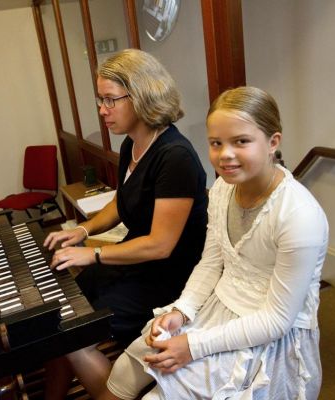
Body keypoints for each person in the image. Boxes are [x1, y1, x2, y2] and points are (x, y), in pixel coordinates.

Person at [100, 86, 329, 400]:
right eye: (216, 143)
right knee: (126, 370)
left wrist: (193, 346)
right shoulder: (222, 188)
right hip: (217, 309)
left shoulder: (299, 216)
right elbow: (211, 261)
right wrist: (181, 311)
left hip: (268, 336)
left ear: (273, 142)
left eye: (241, 142)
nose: (225, 155)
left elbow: (277, 319)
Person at [42, 49, 208, 399]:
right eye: (100, 100)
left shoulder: (174, 156)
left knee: (71, 331)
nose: (102, 110)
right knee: (59, 311)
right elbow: (121, 201)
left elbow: (161, 245)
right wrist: (83, 231)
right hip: (133, 263)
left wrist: (94, 255)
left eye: (110, 100)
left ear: (143, 94)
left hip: (165, 278)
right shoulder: (132, 143)